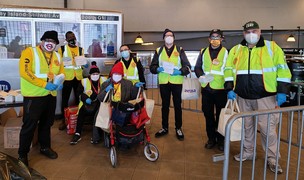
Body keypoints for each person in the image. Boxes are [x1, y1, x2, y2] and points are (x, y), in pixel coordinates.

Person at [224, 21, 291, 174]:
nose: (251, 34)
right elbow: (228, 70)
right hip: (243, 97)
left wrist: (282, 91)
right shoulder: (236, 50)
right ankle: (249, 152)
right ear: (243, 33)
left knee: (268, 129)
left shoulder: (272, 47)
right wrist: (229, 88)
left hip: (265, 97)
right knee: (247, 127)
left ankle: (272, 158)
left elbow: (283, 70)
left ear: (260, 32)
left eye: (254, 31)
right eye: (248, 32)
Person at [18, 30, 64, 166]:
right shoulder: (30, 52)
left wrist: (60, 82)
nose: (50, 43)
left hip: (50, 96)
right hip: (34, 95)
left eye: (53, 41)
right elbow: (25, 72)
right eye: (47, 40)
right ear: (42, 40)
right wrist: (44, 84)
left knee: (47, 124)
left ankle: (45, 147)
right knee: (29, 125)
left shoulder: (57, 55)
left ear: (56, 44)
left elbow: (61, 71)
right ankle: (22, 154)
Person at [150, 28, 191, 141]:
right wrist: (157, 69)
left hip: (176, 82)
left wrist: (180, 71)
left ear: (173, 38)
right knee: (165, 106)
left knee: (177, 106)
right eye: (167, 35)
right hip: (164, 83)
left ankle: (178, 128)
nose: (169, 37)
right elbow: (152, 67)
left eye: (171, 35)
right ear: (164, 38)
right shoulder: (158, 50)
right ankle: (164, 127)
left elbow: (187, 67)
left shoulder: (180, 50)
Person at [194, 29, 228, 151]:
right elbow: (197, 67)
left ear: (221, 39)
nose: (215, 39)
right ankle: (211, 138)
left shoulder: (226, 52)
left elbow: (229, 70)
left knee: (221, 116)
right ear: (209, 39)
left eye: (217, 37)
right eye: (212, 37)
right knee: (208, 115)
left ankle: (221, 140)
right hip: (207, 89)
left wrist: (230, 87)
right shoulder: (203, 52)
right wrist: (201, 76)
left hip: (220, 89)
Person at [91, 61, 140, 143]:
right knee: (98, 116)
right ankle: (96, 138)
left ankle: (133, 135)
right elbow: (100, 98)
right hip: (110, 106)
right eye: (115, 74)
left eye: (119, 74)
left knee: (136, 112)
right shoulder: (106, 84)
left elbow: (133, 96)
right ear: (112, 74)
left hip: (123, 106)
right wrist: (106, 91)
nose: (117, 76)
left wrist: (136, 88)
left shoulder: (128, 83)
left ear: (122, 75)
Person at [70, 61, 107, 145]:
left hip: (99, 102)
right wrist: (85, 98)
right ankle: (77, 133)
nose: (95, 75)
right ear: (90, 75)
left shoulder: (104, 80)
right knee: (81, 112)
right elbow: (78, 93)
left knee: (99, 113)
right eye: (93, 74)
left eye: (97, 73)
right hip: (86, 102)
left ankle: (97, 135)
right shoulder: (84, 81)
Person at [58, 31, 86, 131]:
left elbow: (81, 64)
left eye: (73, 36)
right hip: (67, 78)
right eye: (69, 37)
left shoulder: (80, 49)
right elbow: (60, 64)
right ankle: (64, 120)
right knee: (65, 99)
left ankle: (78, 119)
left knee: (79, 99)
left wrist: (84, 64)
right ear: (66, 39)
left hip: (78, 78)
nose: (72, 39)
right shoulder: (62, 49)